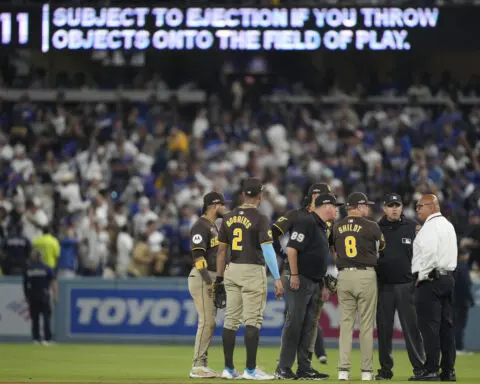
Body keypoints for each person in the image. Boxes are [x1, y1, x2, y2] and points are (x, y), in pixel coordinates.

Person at [215, 177, 283, 380]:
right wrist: (277, 277)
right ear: (260, 197)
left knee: (230, 320)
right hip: (252, 269)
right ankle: (251, 371)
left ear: (243, 195)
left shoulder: (228, 217)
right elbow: (268, 248)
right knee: (253, 320)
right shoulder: (261, 217)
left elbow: (220, 252)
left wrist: (219, 278)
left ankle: (228, 369)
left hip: (231, 268)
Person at [275, 194, 341, 380]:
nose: (337, 209)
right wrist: (294, 275)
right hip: (299, 278)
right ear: (325, 206)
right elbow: (292, 249)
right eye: (335, 206)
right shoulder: (306, 221)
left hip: (315, 281)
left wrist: (323, 284)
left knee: (309, 326)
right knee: (294, 323)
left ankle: (304, 368)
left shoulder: (322, 227)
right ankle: (283, 368)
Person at [332, 192, 385, 381]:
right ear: (359, 206)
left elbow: (333, 250)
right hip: (365, 275)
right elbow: (382, 247)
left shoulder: (337, 226)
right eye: (366, 205)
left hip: (344, 275)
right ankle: (366, 372)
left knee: (346, 325)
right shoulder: (371, 226)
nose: (368, 208)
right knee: (366, 326)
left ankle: (343, 371)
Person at [375, 193, 425, 380]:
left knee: (411, 329)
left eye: (397, 205)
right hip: (384, 287)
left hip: (407, 286)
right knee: (384, 330)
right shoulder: (376, 228)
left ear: (402, 207)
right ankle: (385, 370)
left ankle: (420, 368)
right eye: (391, 205)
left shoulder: (413, 227)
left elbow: (422, 254)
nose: (394, 208)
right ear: (384, 208)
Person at [410, 194, 457, 382]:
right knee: (446, 327)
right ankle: (448, 371)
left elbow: (428, 254)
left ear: (431, 206)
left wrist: (421, 276)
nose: (417, 210)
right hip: (448, 279)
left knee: (430, 328)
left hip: (431, 280)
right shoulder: (448, 225)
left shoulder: (430, 227)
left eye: (420, 206)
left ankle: (431, 370)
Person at [188, 192, 228, 379]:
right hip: (202, 277)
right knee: (207, 321)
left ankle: (201, 364)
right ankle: (198, 365)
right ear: (213, 205)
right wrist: (208, 281)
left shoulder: (213, 226)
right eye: (222, 204)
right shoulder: (200, 226)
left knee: (209, 322)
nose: (224, 207)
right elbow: (199, 259)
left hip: (211, 277)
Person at [22, 249, 57, 345]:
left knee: (35, 318)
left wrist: (26, 295)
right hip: (44, 295)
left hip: (32, 295)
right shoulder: (46, 268)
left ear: (33, 257)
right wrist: (55, 295)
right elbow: (53, 281)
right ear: (41, 257)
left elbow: (25, 284)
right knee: (46, 318)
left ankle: (36, 338)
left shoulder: (29, 269)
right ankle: (47, 339)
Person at [454, 248, 474, 356]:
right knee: (460, 325)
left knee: (453, 324)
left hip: (452, 300)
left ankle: (453, 347)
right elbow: (465, 285)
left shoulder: (453, 266)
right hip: (461, 301)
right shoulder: (463, 267)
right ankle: (458, 347)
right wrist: (470, 299)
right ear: (462, 255)